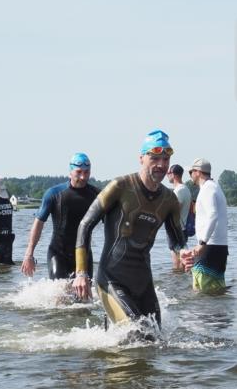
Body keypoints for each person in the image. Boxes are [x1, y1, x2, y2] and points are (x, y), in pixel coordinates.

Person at [72, 130, 187, 329]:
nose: (161, 164)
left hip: (143, 283)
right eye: (155, 158)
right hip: (111, 279)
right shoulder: (120, 186)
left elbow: (177, 241)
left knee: (155, 339)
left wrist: (183, 252)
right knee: (135, 332)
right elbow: (85, 225)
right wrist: (81, 273)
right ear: (141, 158)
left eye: (166, 159)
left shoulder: (170, 200)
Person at [21, 153, 98, 280]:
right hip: (58, 254)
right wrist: (29, 254)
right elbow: (38, 223)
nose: (83, 177)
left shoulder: (96, 195)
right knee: (59, 290)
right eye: (79, 172)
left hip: (84, 255)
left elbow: (112, 223)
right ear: (70, 172)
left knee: (86, 292)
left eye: (86, 172)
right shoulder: (54, 194)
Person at [181, 158, 228, 294]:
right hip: (218, 246)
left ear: (198, 172)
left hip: (210, 246)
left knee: (201, 290)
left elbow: (213, 215)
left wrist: (202, 242)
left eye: (191, 172)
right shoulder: (215, 187)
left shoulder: (207, 188)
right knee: (216, 290)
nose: (190, 175)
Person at [166, 164, 192, 271]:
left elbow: (175, 210)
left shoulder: (179, 190)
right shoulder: (185, 189)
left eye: (168, 173)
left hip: (176, 229)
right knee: (182, 257)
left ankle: (178, 278)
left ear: (174, 174)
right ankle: (182, 279)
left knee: (177, 262)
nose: (167, 175)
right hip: (182, 228)